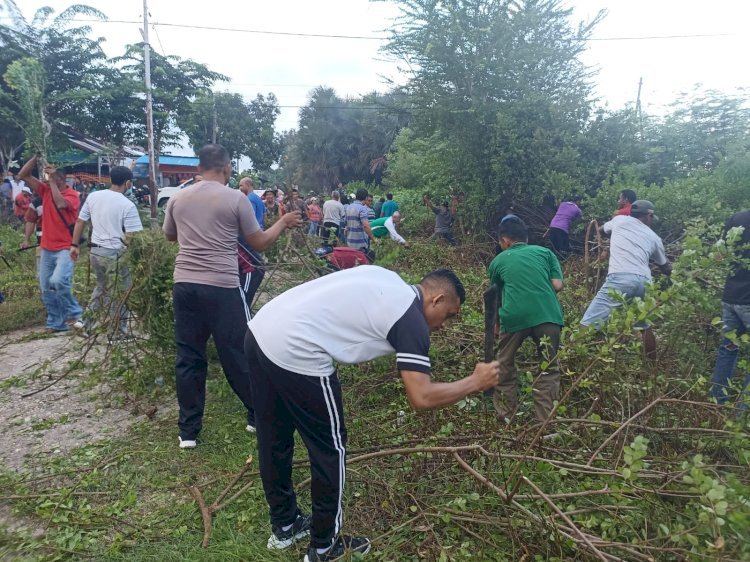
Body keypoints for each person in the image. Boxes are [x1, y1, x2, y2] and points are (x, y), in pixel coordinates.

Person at [245, 266, 499, 561]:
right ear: (437, 299)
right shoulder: (410, 320)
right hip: (297, 345)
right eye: (450, 315)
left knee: (274, 437)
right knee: (330, 448)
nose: (444, 325)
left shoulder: (390, 281)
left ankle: (285, 525)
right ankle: (324, 547)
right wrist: (475, 382)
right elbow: (422, 396)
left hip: (262, 328)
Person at [162, 144, 302, 449]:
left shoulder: (178, 197)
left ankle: (188, 432)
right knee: (238, 352)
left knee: (188, 356)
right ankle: (256, 415)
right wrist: (283, 222)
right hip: (222, 286)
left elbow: (170, 235)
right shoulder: (235, 198)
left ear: (200, 167)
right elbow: (260, 242)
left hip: (184, 284)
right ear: (226, 168)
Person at [488, 217, 564, 422]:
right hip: (548, 315)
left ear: (505, 241)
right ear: (526, 238)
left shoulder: (498, 261)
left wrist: (496, 326)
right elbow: (557, 285)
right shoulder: (545, 253)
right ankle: (544, 423)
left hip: (514, 317)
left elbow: (496, 297)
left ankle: (506, 418)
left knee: (504, 365)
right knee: (549, 368)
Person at [581, 200, 671, 358]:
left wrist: (607, 239)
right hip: (645, 282)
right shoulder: (655, 237)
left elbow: (600, 230)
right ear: (649, 215)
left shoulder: (619, 221)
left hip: (621, 278)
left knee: (588, 322)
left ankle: (570, 354)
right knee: (645, 325)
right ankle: (652, 368)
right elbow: (666, 267)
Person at [70, 166, 143, 341]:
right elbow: (133, 235)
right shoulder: (127, 204)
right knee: (121, 291)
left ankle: (84, 322)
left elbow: (80, 221)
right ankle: (118, 332)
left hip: (95, 251)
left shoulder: (94, 196)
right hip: (115, 253)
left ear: (111, 179)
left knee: (102, 287)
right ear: (128, 183)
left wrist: (74, 244)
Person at [17, 155, 83, 332]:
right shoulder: (45, 191)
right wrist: (36, 157)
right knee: (46, 287)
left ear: (62, 179)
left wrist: (52, 182)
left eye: (55, 177)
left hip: (66, 247)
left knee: (59, 281)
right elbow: (22, 175)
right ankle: (56, 323)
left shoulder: (72, 195)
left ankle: (76, 313)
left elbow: (61, 204)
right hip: (46, 247)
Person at [710, 209, 750, 408]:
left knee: (728, 349)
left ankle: (717, 405)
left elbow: (720, 252)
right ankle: (743, 417)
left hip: (731, 296)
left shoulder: (738, 217)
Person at [345, 188, 376, 256]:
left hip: (350, 241)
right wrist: (374, 238)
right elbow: (366, 226)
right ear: (365, 197)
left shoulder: (349, 207)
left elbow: (346, 224)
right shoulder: (362, 209)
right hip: (360, 243)